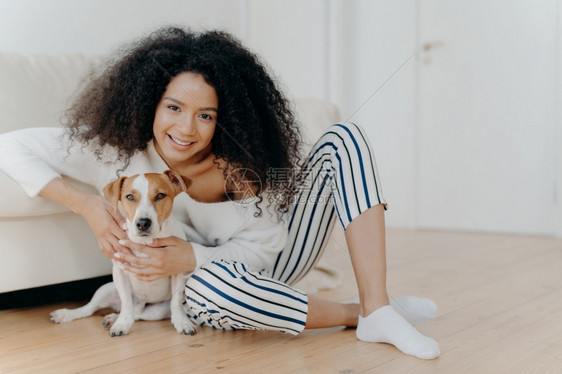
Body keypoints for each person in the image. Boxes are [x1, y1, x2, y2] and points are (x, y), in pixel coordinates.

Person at [0, 27, 440, 359]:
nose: (186, 129)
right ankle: (357, 315)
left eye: (205, 115)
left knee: (344, 136)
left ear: (223, 118)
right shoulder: (113, 152)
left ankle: (378, 305)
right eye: (173, 108)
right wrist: (90, 207)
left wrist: (192, 257)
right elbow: (9, 145)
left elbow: (267, 251)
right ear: (148, 102)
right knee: (212, 292)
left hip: (276, 261)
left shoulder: (242, 163)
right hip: (211, 288)